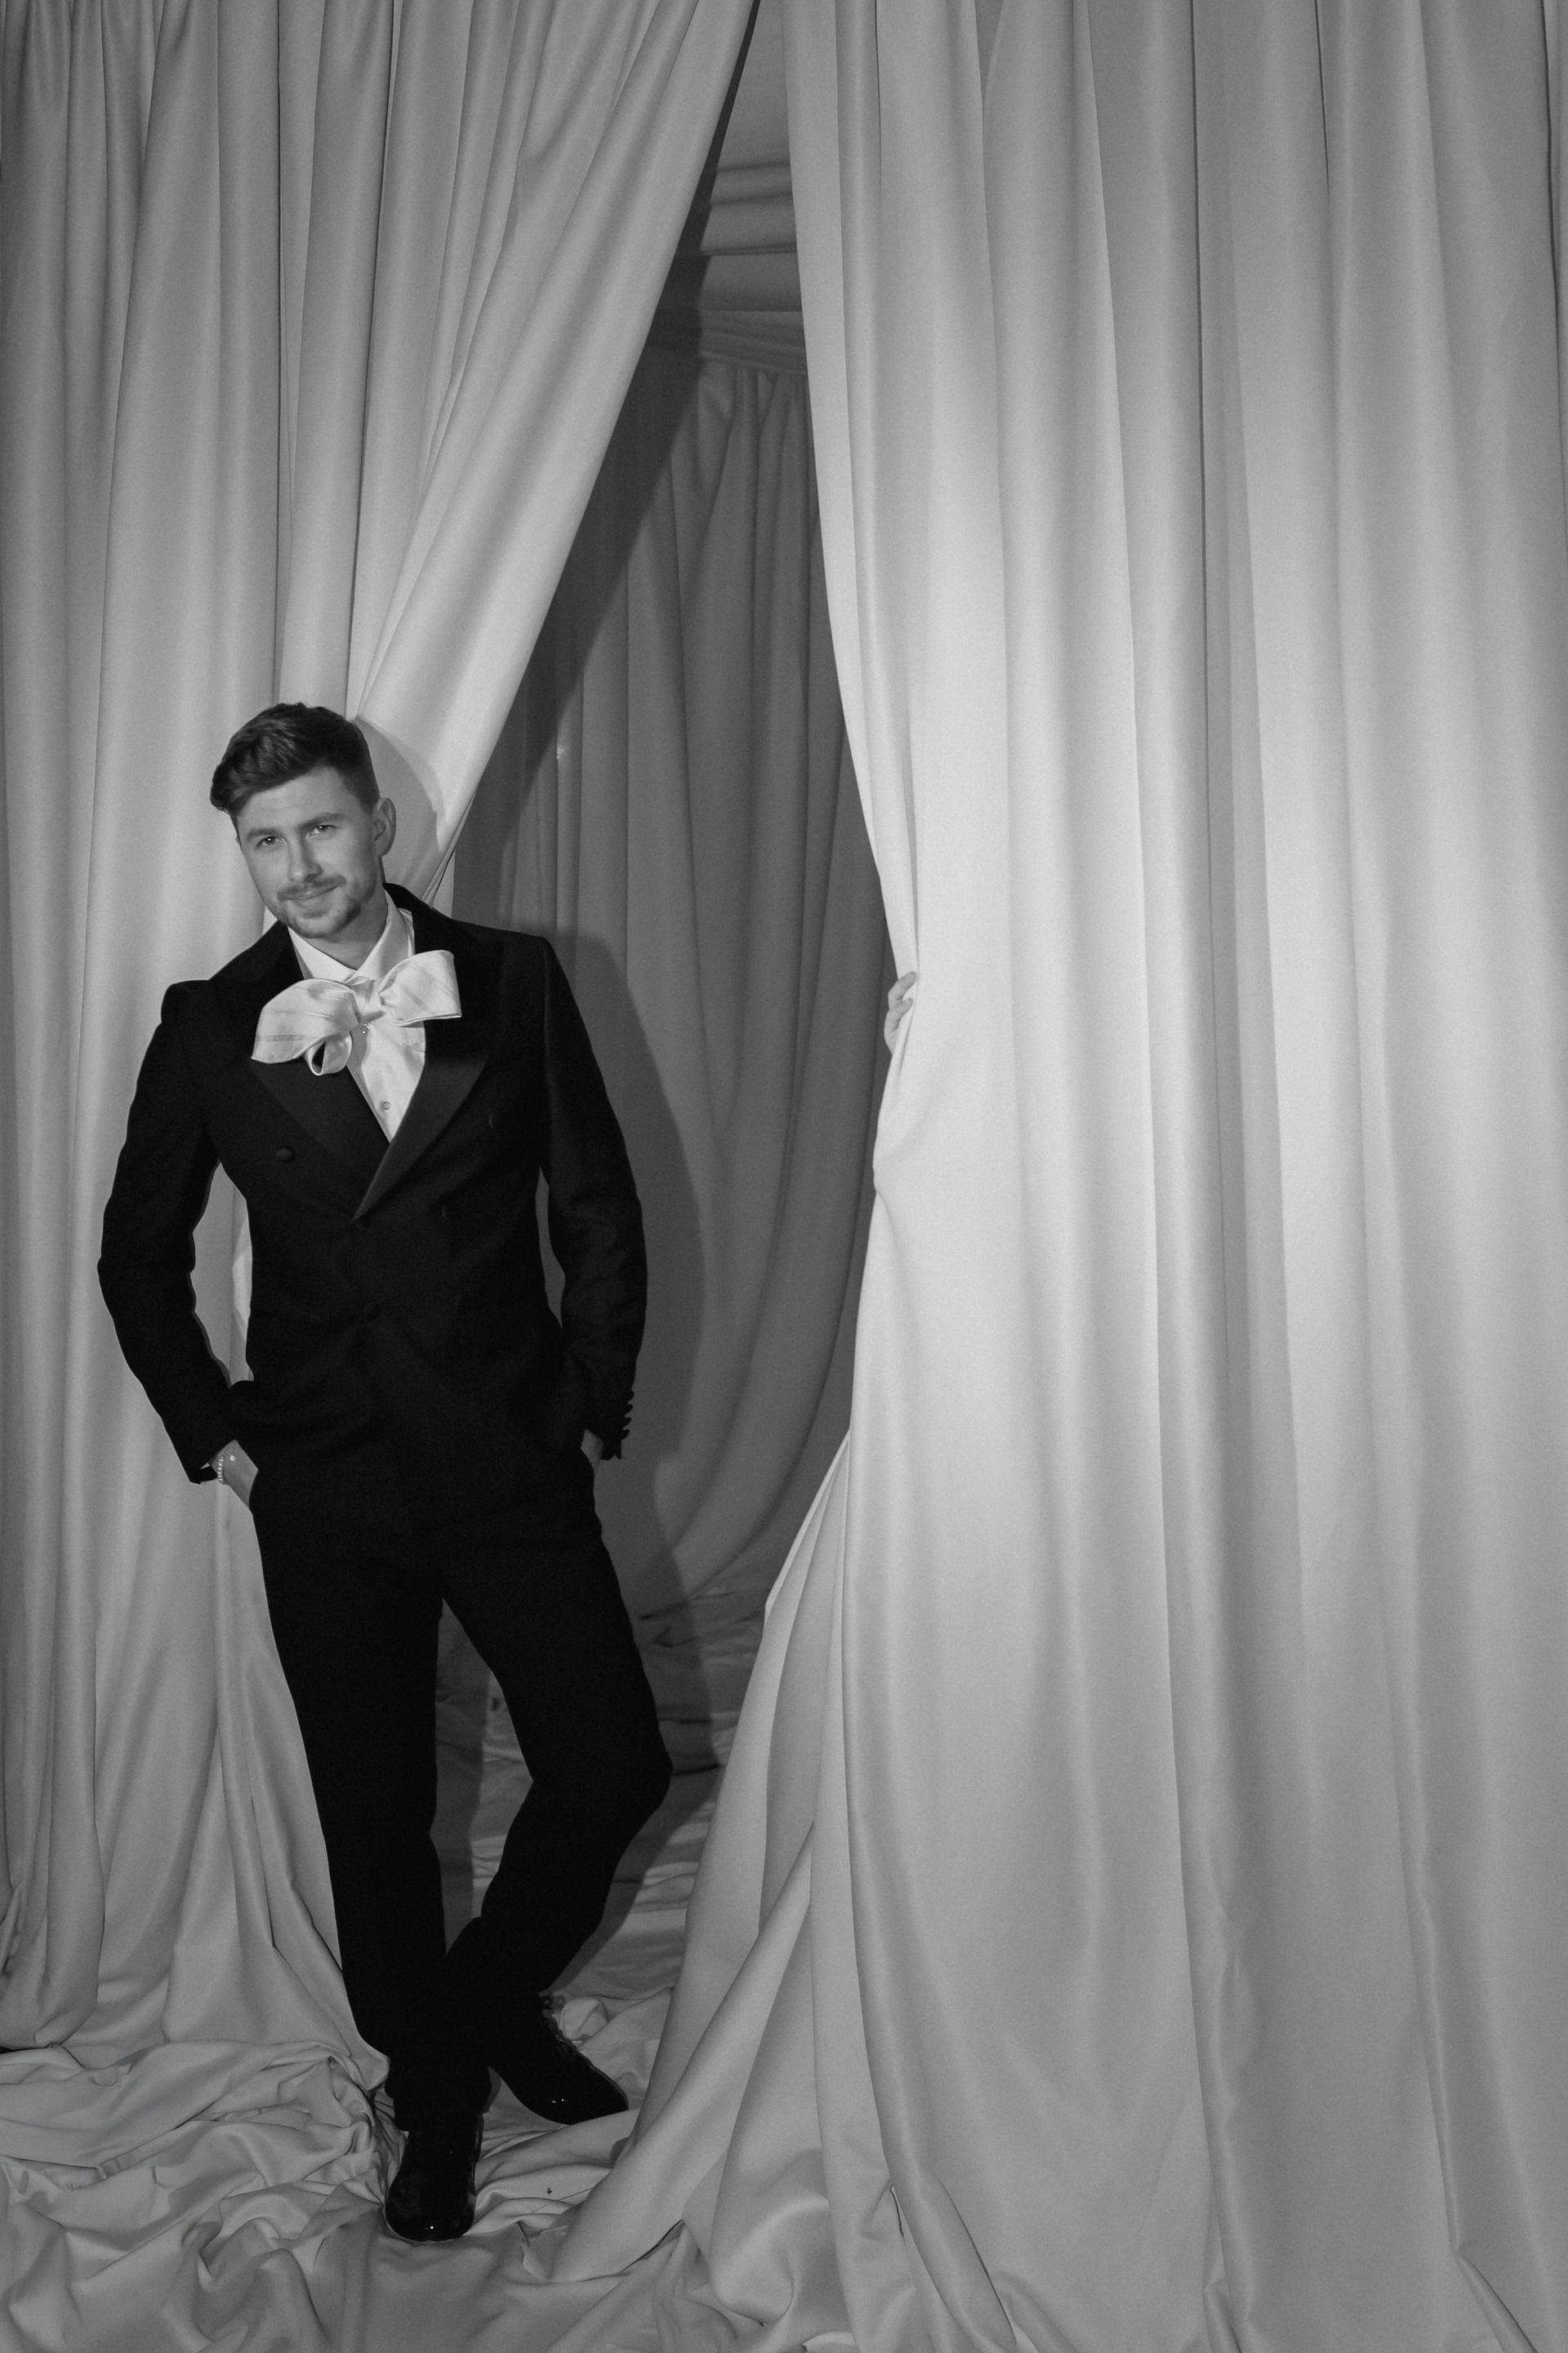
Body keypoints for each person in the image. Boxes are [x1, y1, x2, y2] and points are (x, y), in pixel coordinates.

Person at [98, 705, 671, 2243]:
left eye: (321, 827)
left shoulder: (515, 980)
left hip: (509, 1461)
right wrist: (221, 1438)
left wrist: (590, 1403)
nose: (297, 866)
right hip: (329, 1490)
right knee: (375, 1815)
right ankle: (434, 2086)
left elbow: (598, 1211)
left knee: (613, 1764)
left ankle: (479, 2002)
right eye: (264, 841)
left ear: (381, 823)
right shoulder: (211, 1024)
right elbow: (136, 1255)